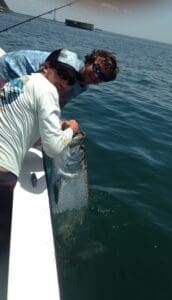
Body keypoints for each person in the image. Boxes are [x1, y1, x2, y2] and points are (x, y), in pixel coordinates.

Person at [0, 48, 80, 248]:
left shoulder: (21, 81)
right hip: (2, 172)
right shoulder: (48, 89)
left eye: (70, 80)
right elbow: (53, 148)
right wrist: (71, 129)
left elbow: (27, 129)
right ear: (46, 66)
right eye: (62, 73)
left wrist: (53, 127)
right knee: (4, 240)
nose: (64, 83)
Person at [0, 48, 119, 107]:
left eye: (103, 77)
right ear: (89, 62)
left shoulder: (83, 87)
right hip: (8, 68)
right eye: (97, 69)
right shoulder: (70, 67)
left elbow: (59, 102)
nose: (96, 75)